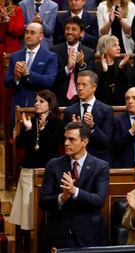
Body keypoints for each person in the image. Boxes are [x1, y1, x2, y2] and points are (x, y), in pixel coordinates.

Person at [39, 121, 110, 250]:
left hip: (89, 235)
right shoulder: (53, 165)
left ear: (84, 142)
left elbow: (99, 200)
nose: (66, 143)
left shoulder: (100, 166)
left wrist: (75, 191)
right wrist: (62, 197)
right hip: (59, 234)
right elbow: (43, 203)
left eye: (71, 139)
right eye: (65, 138)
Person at [9, 90, 64, 253]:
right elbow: (19, 145)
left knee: (41, 214)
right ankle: (26, 245)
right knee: (26, 212)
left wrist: (43, 129)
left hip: (47, 172)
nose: (37, 104)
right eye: (36, 101)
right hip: (28, 171)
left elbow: (55, 145)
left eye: (41, 101)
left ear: (50, 104)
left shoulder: (57, 124)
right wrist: (28, 129)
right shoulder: (31, 121)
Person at [5, 22, 58, 121]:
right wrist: (16, 78)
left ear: (41, 36)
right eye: (26, 32)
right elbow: (7, 83)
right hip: (18, 107)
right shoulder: (15, 56)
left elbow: (49, 81)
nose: (28, 35)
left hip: (39, 108)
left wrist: (28, 74)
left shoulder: (50, 57)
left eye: (32, 33)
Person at [64, 70, 114, 163]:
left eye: (84, 85)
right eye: (78, 84)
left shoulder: (106, 110)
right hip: (74, 160)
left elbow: (106, 141)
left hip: (98, 160)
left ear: (94, 87)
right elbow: (64, 140)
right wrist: (74, 130)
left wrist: (92, 127)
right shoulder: (69, 111)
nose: (80, 88)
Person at [51, 16, 95, 106]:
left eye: (74, 29)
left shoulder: (88, 52)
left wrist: (82, 65)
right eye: (67, 29)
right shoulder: (54, 50)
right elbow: (52, 77)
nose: (69, 32)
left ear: (82, 33)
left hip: (81, 99)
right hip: (59, 98)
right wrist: (67, 68)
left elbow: (91, 78)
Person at [95, 34, 131, 106]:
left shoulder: (124, 65)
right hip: (102, 105)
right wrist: (104, 71)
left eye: (118, 45)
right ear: (105, 48)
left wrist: (121, 69)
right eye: (114, 45)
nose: (119, 48)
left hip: (121, 105)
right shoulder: (97, 66)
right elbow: (97, 89)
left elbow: (128, 86)